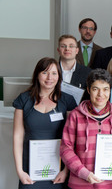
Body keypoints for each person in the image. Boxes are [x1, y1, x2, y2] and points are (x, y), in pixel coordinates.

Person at [13, 57, 77, 189]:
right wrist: (20, 171)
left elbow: (73, 138)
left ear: (59, 76)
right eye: (45, 72)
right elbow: (18, 136)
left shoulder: (68, 101)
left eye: (54, 73)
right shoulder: (23, 99)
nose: (49, 77)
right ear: (37, 74)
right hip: (29, 169)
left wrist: (66, 171)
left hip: (58, 169)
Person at [60, 68, 112, 189]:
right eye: (96, 89)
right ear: (89, 90)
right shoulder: (75, 115)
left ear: (110, 90)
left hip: (109, 185)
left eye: (105, 89)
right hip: (79, 184)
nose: (101, 94)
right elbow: (65, 148)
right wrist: (84, 173)